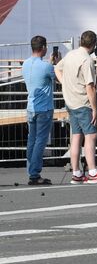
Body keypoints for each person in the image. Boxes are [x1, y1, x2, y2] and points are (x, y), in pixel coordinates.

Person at [58, 31, 97, 184]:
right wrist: (95, 108)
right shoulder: (87, 60)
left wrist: (65, 84)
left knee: (76, 136)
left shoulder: (71, 54)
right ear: (93, 45)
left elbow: (57, 68)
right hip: (82, 102)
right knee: (90, 136)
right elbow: (90, 87)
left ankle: (76, 172)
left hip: (71, 101)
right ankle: (93, 172)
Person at [22, 35, 56, 186]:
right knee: (40, 141)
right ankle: (34, 174)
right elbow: (56, 78)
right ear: (43, 48)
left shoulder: (25, 64)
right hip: (44, 108)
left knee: (32, 140)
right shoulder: (46, 66)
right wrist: (56, 63)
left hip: (31, 107)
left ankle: (31, 171)